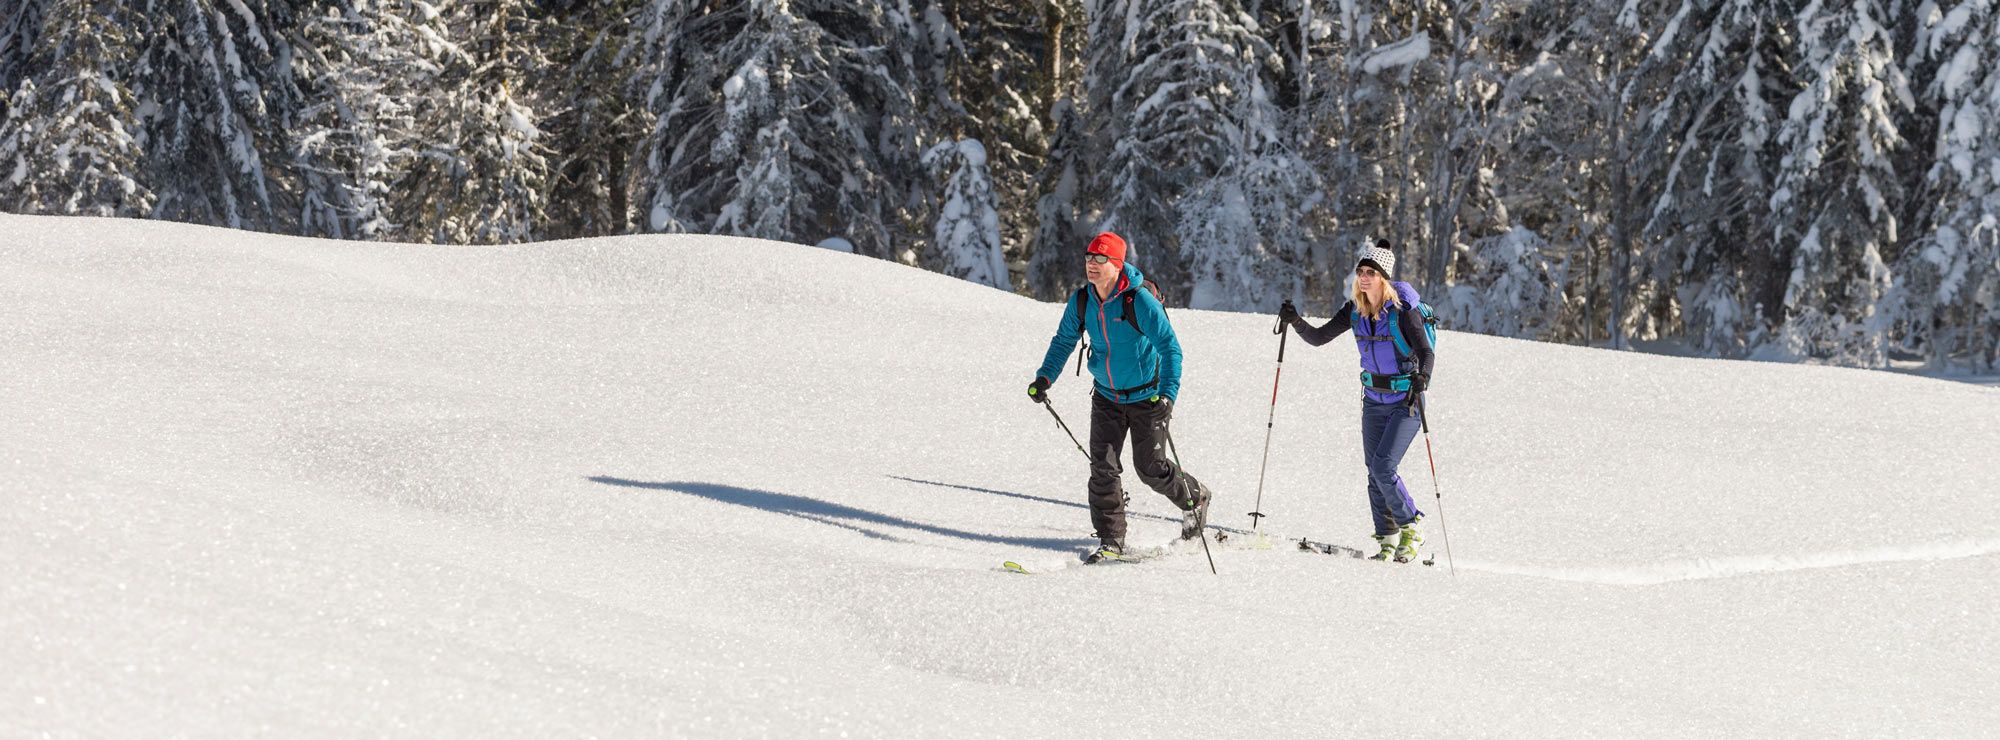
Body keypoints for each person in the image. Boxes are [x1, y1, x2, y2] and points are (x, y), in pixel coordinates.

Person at [1028, 231, 1213, 563]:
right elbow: (1063, 340)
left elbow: (1171, 350)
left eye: (1101, 260)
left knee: (1150, 468)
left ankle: (1195, 500)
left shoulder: (1138, 300)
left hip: (1148, 397)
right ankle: (1111, 541)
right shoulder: (1082, 300)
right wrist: (1045, 377)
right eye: (1088, 258)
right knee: (1103, 467)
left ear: (1117, 264)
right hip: (1107, 397)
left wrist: (1167, 396)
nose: (1092, 265)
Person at [1277, 240, 1436, 563]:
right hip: (1374, 401)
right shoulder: (1355, 310)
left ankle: (1412, 524)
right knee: (1372, 471)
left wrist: (1423, 379)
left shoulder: (1403, 312)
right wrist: (1294, 321)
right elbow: (1319, 338)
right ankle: (1387, 538)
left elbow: (1425, 352)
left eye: (1370, 273)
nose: (1363, 278)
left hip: (1405, 402)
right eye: (1361, 272)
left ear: (1384, 278)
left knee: (1383, 466)